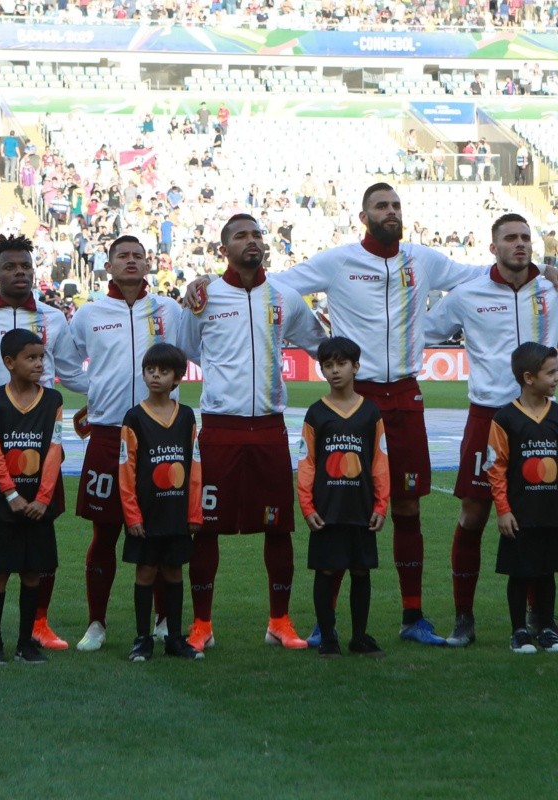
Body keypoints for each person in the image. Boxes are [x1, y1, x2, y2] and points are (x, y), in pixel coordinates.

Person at [186, 184, 492, 645]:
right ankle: (323, 621)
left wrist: (538, 269)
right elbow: (277, 284)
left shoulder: (423, 260)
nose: (390, 213)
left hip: (406, 395)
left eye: (396, 206)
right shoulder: (337, 261)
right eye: (381, 207)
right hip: (355, 400)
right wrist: (206, 284)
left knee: (407, 506)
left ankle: (413, 617)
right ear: (363, 215)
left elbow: (473, 275)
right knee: (336, 506)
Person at [177, 213, 328, 652]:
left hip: (268, 427)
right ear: (224, 248)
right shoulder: (205, 296)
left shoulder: (284, 297)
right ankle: (202, 624)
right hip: (220, 427)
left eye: (257, 234)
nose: (252, 241)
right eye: (241, 235)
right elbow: (186, 348)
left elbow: (320, 344)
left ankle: (279, 620)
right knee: (204, 528)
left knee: (278, 528)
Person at [424, 213, 558, 646]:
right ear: (493, 247)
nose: (520, 245)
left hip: (543, 419)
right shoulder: (467, 294)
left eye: (525, 238)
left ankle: (541, 617)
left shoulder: (551, 289)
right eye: (510, 238)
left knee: (541, 515)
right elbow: (421, 328)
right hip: (489, 416)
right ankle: (464, 617)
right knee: (475, 513)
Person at [0, 234, 87, 653]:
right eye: (10, 267)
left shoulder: (52, 318)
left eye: (25, 267)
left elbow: (68, 370)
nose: (19, 273)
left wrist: (112, 395)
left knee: (41, 533)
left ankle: (38, 624)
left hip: (42, 438)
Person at [69, 235, 182, 651]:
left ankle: (163, 619)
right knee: (105, 531)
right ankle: (96, 623)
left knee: (161, 531)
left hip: (161, 436)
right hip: (107, 432)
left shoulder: (169, 310)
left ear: (148, 264)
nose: (131, 262)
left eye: (138, 256)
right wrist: (95, 390)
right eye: (123, 256)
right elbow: (65, 360)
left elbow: (188, 352)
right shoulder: (90, 313)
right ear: (108, 266)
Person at [297, 336, 389, 659]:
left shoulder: (371, 412)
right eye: (328, 365)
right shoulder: (316, 413)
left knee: (361, 571)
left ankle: (360, 637)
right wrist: (307, 506)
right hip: (327, 509)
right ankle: (327, 638)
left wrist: (381, 504)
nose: (335, 371)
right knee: (326, 571)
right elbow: (306, 463)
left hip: (361, 508)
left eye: (341, 364)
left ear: (356, 366)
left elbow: (379, 462)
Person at [0, 329, 64, 666]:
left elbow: (55, 449)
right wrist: (11, 493)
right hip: (3, 503)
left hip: (39, 505)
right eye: (31, 358)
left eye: (41, 357)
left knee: (33, 573)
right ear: (9, 362)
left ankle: (26, 643)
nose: (39, 363)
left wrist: (43, 498)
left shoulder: (53, 400)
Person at [119, 343, 203, 662]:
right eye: (150, 370)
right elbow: (126, 468)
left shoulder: (186, 417)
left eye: (163, 371)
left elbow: (194, 465)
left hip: (177, 511)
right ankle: (143, 639)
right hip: (146, 512)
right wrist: (132, 515)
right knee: (145, 571)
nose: (155, 376)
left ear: (178, 378)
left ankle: (175, 638)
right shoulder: (134, 417)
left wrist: (194, 510)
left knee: (173, 572)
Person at [487, 342, 558, 654]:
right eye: (551, 372)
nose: (556, 377)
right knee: (520, 572)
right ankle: (519, 631)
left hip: (551, 512)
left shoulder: (556, 415)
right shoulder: (504, 419)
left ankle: (546, 628)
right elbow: (496, 467)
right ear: (529, 378)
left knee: (546, 572)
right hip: (520, 512)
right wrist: (503, 510)